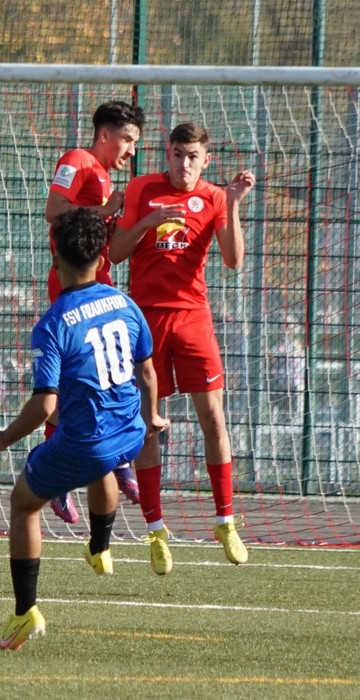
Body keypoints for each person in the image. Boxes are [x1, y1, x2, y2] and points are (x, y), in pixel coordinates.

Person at [0, 207, 168, 649]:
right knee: (100, 456)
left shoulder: (53, 324)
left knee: (23, 503)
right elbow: (147, 372)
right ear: (102, 258)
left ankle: (25, 613)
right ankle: (100, 547)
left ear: (54, 258)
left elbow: (43, 404)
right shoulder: (125, 302)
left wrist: (2, 438)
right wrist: (153, 415)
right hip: (130, 430)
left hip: (89, 441)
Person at [108, 122, 256, 574]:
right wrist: (147, 223)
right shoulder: (142, 189)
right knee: (147, 426)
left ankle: (225, 521)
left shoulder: (214, 197)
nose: (184, 163)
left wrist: (232, 203)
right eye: (178, 154)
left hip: (193, 318)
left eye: (193, 157)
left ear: (205, 161)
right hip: (145, 319)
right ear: (167, 154)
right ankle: (155, 530)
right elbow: (114, 253)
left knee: (213, 418)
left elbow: (233, 260)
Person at [43, 100, 146, 524]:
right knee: (73, 378)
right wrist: (104, 211)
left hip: (99, 285)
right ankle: (57, 477)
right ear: (104, 134)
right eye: (128, 139)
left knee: (112, 373)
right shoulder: (77, 160)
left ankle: (119, 458)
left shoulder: (104, 176)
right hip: (71, 286)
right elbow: (53, 210)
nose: (132, 150)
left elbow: (110, 248)